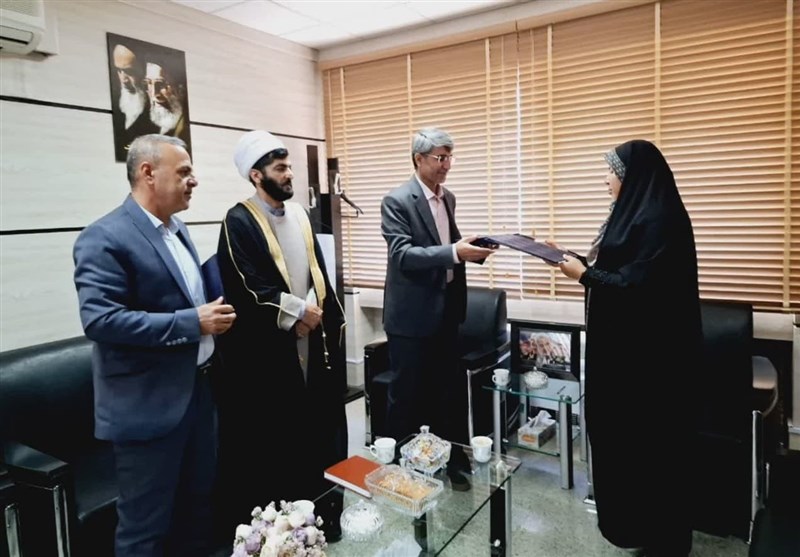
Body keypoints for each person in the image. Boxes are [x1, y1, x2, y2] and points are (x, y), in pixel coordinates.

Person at [73, 134, 236, 557]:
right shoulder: (104, 237)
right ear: (148, 172)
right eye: (184, 172)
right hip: (147, 407)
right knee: (144, 529)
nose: (194, 181)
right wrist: (192, 322)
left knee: (197, 511)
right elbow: (101, 320)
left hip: (198, 394)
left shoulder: (177, 230)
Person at [552, 139, 702, 556]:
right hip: (628, 359)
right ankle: (639, 531)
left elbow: (639, 289)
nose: (606, 179)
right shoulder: (634, 214)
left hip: (651, 367)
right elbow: (616, 268)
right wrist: (572, 260)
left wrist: (584, 276)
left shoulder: (659, 220)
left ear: (633, 177)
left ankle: (660, 540)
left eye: (613, 172)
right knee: (629, 451)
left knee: (650, 453)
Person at [214, 130, 348, 535]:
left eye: (289, 166)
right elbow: (247, 286)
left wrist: (320, 314)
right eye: (280, 168)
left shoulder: (301, 216)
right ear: (256, 175)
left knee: (318, 431)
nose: (289, 174)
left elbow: (318, 273)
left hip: (312, 339)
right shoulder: (238, 220)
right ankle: (283, 531)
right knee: (280, 438)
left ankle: (322, 519)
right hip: (270, 353)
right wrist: (297, 312)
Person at [380, 127, 496, 488]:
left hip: (447, 312)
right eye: (440, 158)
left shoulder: (449, 198)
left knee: (448, 393)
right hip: (411, 318)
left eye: (449, 157)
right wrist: (454, 252)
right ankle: (401, 470)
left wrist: (472, 251)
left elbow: (448, 246)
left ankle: (452, 461)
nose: (447, 165)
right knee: (407, 397)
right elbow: (403, 255)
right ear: (419, 158)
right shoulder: (397, 200)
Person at [143, 60, 191, 151]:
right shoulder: (146, 127)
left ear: (180, 88)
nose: (154, 94)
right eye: (149, 83)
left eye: (161, 84)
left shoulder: (187, 132)